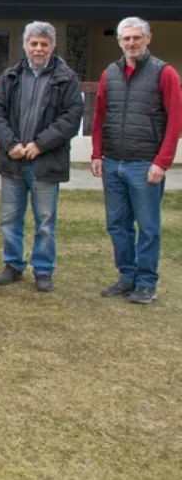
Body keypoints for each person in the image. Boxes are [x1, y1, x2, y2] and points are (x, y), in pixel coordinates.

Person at [91, 17, 182, 305]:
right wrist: (97, 154)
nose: (131, 43)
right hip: (113, 163)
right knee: (117, 225)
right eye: (126, 38)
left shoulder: (164, 74)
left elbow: (175, 121)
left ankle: (146, 283)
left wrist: (162, 162)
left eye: (136, 37)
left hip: (145, 165)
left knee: (148, 227)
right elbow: (100, 117)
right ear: (119, 41)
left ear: (148, 39)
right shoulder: (110, 74)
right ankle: (127, 276)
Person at [0, 21, 83, 292]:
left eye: (44, 44)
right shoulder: (10, 76)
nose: (38, 48)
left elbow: (71, 119)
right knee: (9, 218)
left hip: (46, 161)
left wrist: (39, 145)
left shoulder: (66, 78)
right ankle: (13, 265)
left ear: (52, 46)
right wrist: (10, 144)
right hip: (13, 160)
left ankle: (43, 269)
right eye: (34, 43)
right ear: (25, 45)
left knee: (45, 221)